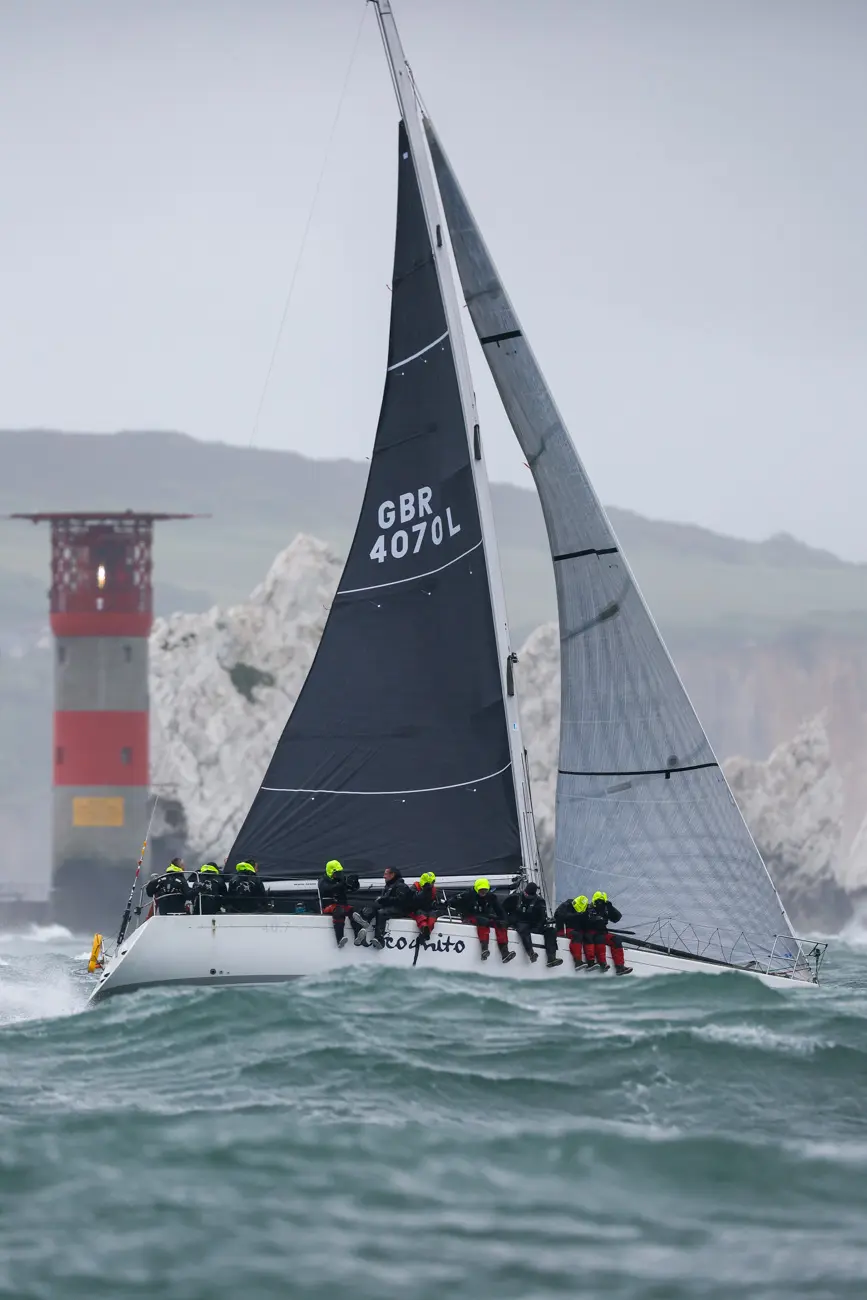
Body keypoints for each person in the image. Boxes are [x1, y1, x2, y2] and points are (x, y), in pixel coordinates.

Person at [453, 878, 515, 963]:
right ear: (476, 888)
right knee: (483, 921)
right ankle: (484, 949)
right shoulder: (468, 895)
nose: (483, 892)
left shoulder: (491, 897)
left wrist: (505, 921)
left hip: (485, 917)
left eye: (485, 890)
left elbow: (500, 911)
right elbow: (453, 901)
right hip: (469, 917)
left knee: (500, 923)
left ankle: (504, 952)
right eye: (481, 889)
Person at [504, 881, 563, 968]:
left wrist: (537, 928)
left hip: (534, 925)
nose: (527, 897)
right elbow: (502, 910)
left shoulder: (540, 901)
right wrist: (506, 922)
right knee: (523, 928)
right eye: (526, 895)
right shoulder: (515, 897)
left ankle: (551, 958)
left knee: (551, 931)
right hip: (519, 923)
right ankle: (531, 953)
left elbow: (542, 918)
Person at [359, 867, 416, 949]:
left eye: (386, 874)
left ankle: (379, 938)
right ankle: (364, 923)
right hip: (390, 907)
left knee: (381, 912)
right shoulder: (388, 885)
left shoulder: (401, 886)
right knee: (372, 907)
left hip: (401, 909)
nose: (384, 876)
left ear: (392, 875)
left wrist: (384, 899)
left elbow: (400, 901)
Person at [317, 859, 363, 948]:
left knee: (354, 911)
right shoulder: (323, 881)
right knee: (339, 911)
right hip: (329, 906)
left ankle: (358, 935)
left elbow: (351, 889)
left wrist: (354, 883)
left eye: (339, 872)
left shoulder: (341, 879)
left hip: (342, 904)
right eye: (336, 872)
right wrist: (341, 884)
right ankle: (340, 938)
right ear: (330, 872)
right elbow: (327, 889)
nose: (338, 874)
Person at [587, 891, 633, 975]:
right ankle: (602, 963)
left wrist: (610, 907)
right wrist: (596, 918)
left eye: (602, 901)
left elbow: (617, 918)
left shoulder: (605, 909)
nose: (600, 903)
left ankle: (620, 967)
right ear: (594, 901)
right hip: (591, 932)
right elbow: (585, 920)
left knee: (616, 939)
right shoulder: (589, 908)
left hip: (603, 932)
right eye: (598, 901)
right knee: (599, 938)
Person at [553, 894, 595, 970]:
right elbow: (558, 915)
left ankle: (591, 962)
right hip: (566, 929)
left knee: (588, 936)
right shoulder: (566, 905)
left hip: (579, 930)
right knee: (577, 936)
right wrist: (576, 915)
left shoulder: (587, 909)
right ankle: (578, 961)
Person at [411, 871, 440, 942]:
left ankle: (426, 932)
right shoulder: (415, 887)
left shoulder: (433, 890)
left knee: (432, 915)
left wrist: (436, 904)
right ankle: (424, 928)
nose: (433, 884)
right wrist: (424, 891)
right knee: (420, 914)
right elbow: (413, 899)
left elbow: (436, 900)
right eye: (432, 882)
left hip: (428, 909)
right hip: (415, 909)